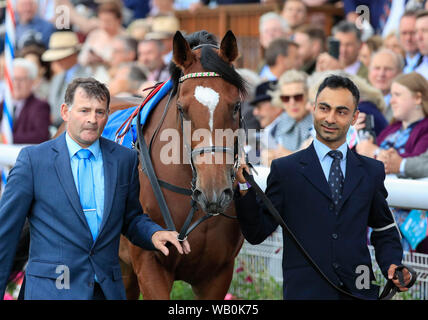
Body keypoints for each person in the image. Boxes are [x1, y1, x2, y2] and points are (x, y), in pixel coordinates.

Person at [0, 77, 190, 300]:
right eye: (84, 110)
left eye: (100, 112)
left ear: (107, 115)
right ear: (65, 112)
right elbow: (6, 233)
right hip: (49, 292)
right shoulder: (33, 160)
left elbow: (130, 218)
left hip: (105, 292)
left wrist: (154, 233)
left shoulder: (125, 160)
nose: (92, 119)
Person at [235, 74, 409, 300]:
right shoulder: (286, 170)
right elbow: (257, 232)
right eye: (324, 108)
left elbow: (384, 229)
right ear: (314, 109)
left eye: (341, 111)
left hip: (360, 291)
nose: (330, 118)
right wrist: (244, 185)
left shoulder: (371, 171)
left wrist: (393, 264)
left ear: (355, 117)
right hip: (305, 293)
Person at [42, 31, 92, 129]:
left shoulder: (88, 77)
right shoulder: (57, 78)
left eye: (61, 57)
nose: (57, 61)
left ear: (73, 55)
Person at [264, 69, 313, 162]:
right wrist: (267, 156)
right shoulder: (276, 125)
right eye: (286, 98)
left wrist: (286, 157)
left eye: (298, 97)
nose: (292, 103)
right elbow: (263, 153)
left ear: (308, 95)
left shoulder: (318, 124)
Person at [0, 58, 50, 144]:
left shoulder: (40, 106)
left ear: (32, 82)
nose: (16, 84)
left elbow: (40, 136)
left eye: (21, 79)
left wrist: (6, 138)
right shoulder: (3, 104)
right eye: (13, 79)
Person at [368, 48, 403, 122]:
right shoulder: (359, 100)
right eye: (377, 68)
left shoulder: (404, 103)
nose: (381, 74)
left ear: (400, 73)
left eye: (388, 69)